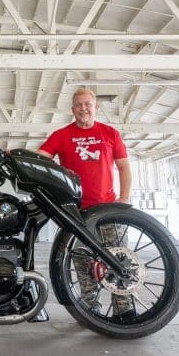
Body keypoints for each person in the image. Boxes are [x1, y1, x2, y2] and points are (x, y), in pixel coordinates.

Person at [37, 88, 134, 318]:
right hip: (77, 213)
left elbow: (124, 167)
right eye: (79, 105)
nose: (83, 108)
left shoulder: (110, 133)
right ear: (73, 110)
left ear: (95, 107)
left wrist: (124, 198)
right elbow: (40, 158)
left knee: (118, 259)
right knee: (83, 263)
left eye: (87, 104)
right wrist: (16, 155)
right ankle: (91, 310)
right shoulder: (61, 135)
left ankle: (125, 311)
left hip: (108, 211)